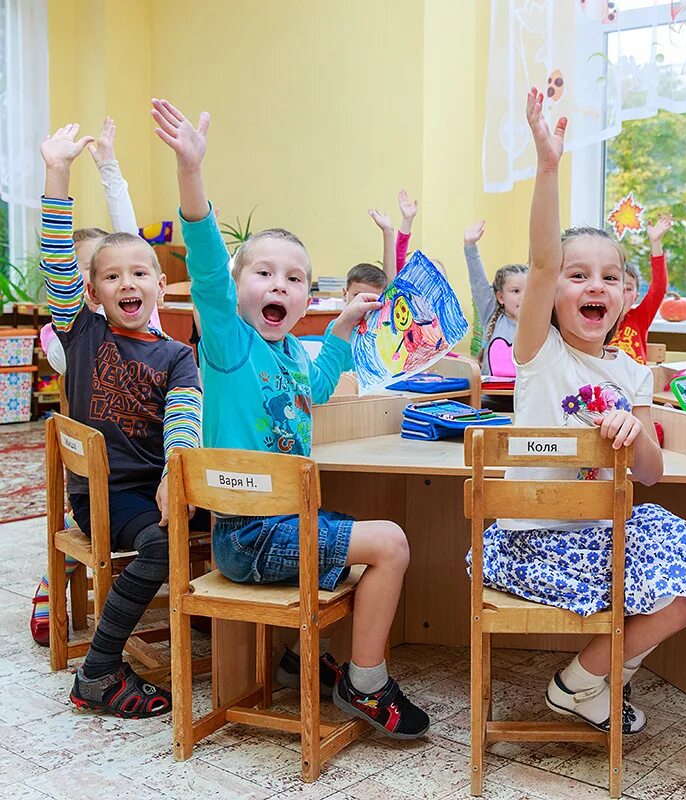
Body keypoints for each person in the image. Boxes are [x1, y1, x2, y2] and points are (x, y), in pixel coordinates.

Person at [467, 88, 686, 734]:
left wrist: (631, 432)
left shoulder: (630, 371)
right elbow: (539, 261)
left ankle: (587, 679)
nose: (593, 285)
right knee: (678, 578)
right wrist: (547, 168)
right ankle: (589, 682)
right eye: (576, 275)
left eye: (609, 276)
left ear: (627, 294)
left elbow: (649, 472)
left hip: (601, 535)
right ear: (551, 293)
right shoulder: (537, 352)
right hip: (532, 542)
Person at [152, 97, 429, 739]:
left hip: (287, 526)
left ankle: (309, 659)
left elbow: (320, 385)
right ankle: (364, 685)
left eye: (295, 278)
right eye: (264, 273)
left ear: (307, 295)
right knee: (391, 543)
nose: (279, 285)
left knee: (371, 546)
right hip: (250, 537)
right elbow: (204, 267)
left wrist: (338, 328)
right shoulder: (228, 347)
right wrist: (192, 172)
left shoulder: (289, 355)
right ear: (237, 285)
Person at [40, 123, 202, 717]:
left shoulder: (177, 354)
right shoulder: (81, 332)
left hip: (158, 486)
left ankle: (259, 638)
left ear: (161, 286)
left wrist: (174, 476)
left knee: (248, 513)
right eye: (112, 276)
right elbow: (58, 261)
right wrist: (58, 172)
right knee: (162, 549)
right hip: (109, 497)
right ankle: (100, 672)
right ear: (92, 292)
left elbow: (183, 424)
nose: (126, 283)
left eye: (139, 273)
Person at [463, 219, 527, 377]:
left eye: (528, 291)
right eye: (516, 291)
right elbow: (478, 285)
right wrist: (470, 247)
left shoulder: (536, 326)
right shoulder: (491, 314)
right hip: (489, 399)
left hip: (520, 400)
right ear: (501, 297)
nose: (523, 297)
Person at [611, 214, 671, 364]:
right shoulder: (596, 320)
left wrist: (655, 242)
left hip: (637, 386)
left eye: (629, 288)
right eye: (618, 285)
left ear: (636, 297)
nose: (623, 292)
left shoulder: (639, 318)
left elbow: (659, 287)